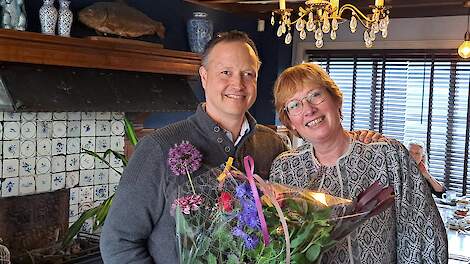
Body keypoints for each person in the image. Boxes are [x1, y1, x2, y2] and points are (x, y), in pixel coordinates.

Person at [100, 31, 383, 263]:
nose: (238, 83)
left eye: (248, 74)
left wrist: (357, 139)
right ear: (204, 76)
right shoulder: (159, 147)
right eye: (226, 72)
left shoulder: (273, 146)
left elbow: (293, 218)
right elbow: (118, 243)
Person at [269, 63, 448, 263]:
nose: (309, 109)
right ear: (291, 122)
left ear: (336, 100)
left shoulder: (388, 156)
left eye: (315, 95)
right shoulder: (284, 169)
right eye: (294, 105)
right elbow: (278, 246)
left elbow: (423, 237)